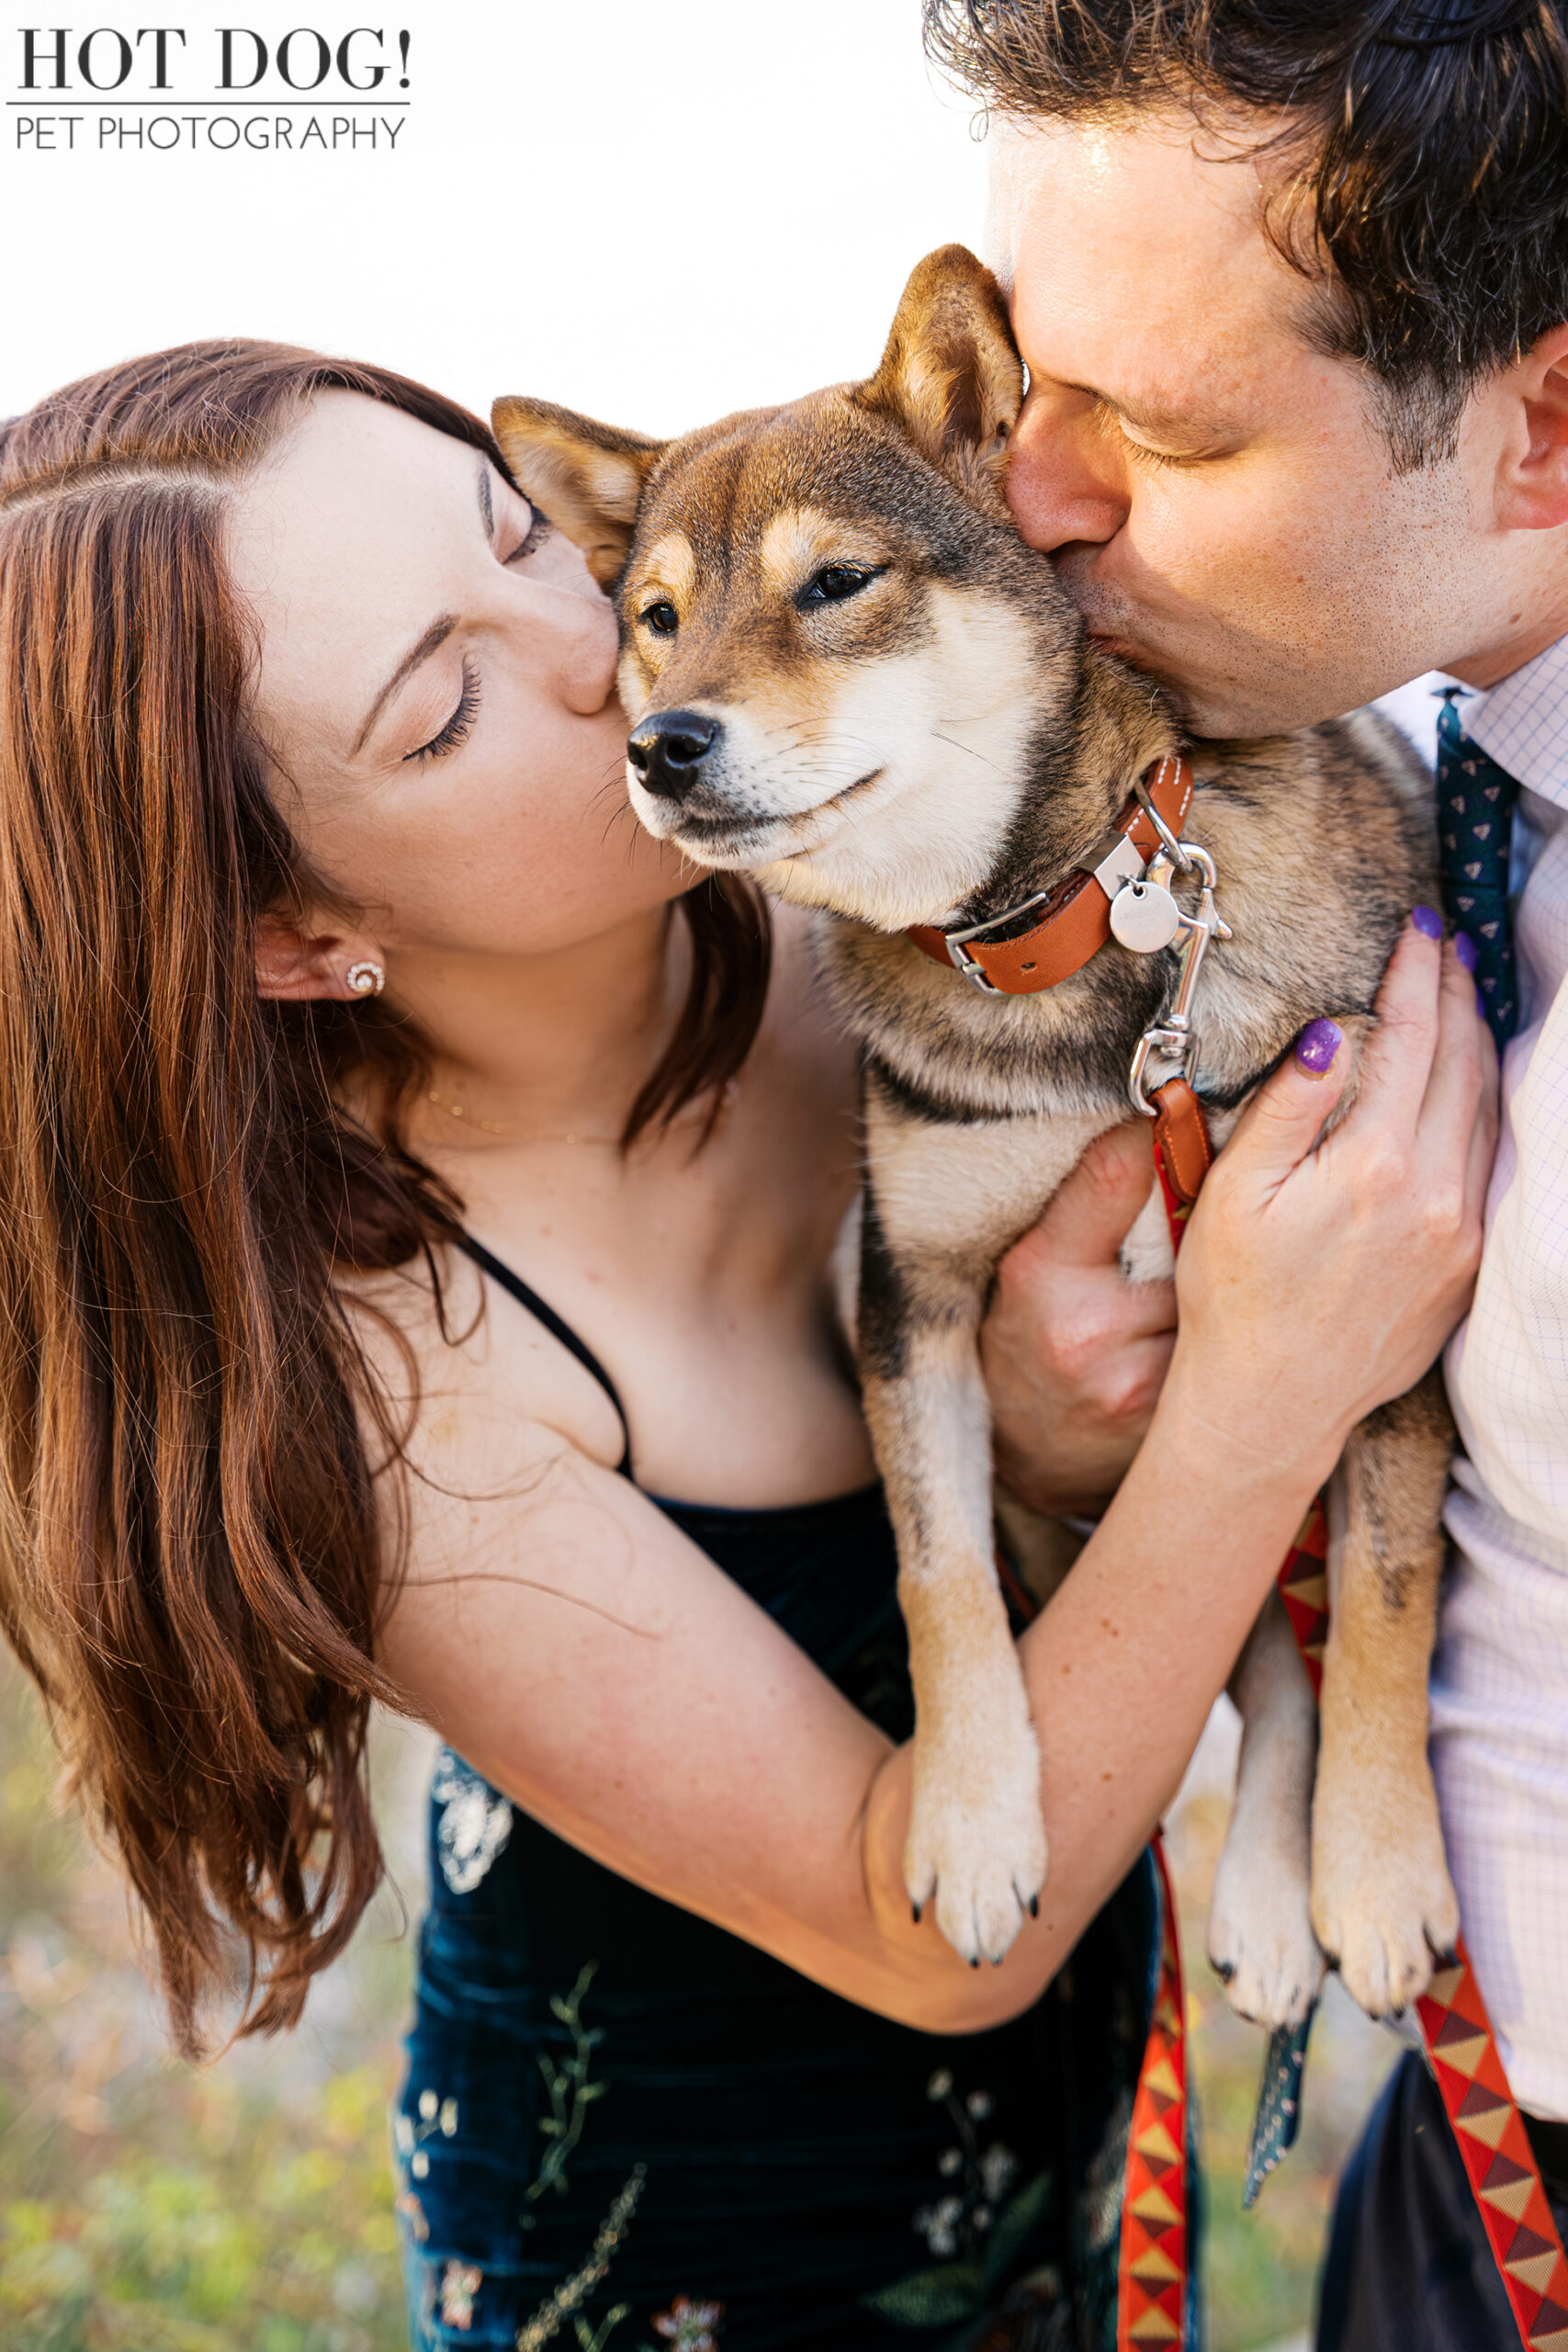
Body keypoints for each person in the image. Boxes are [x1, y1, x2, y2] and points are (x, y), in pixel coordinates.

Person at [0, 340, 1484, 2352]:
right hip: (683, 2260)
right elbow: (925, 1925)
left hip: (1066, 2160)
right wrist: (1249, 1390)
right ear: (294, 935)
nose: (615, 654)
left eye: (538, 538)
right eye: (443, 707)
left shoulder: (891, 907)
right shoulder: (405, 1376)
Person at [918, 0, 1568, 2342]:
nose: (1037, 500)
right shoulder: (1362, 765)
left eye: (1161, 435)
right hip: (1452, 2147)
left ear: (1543, 430)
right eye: (1024, 401)